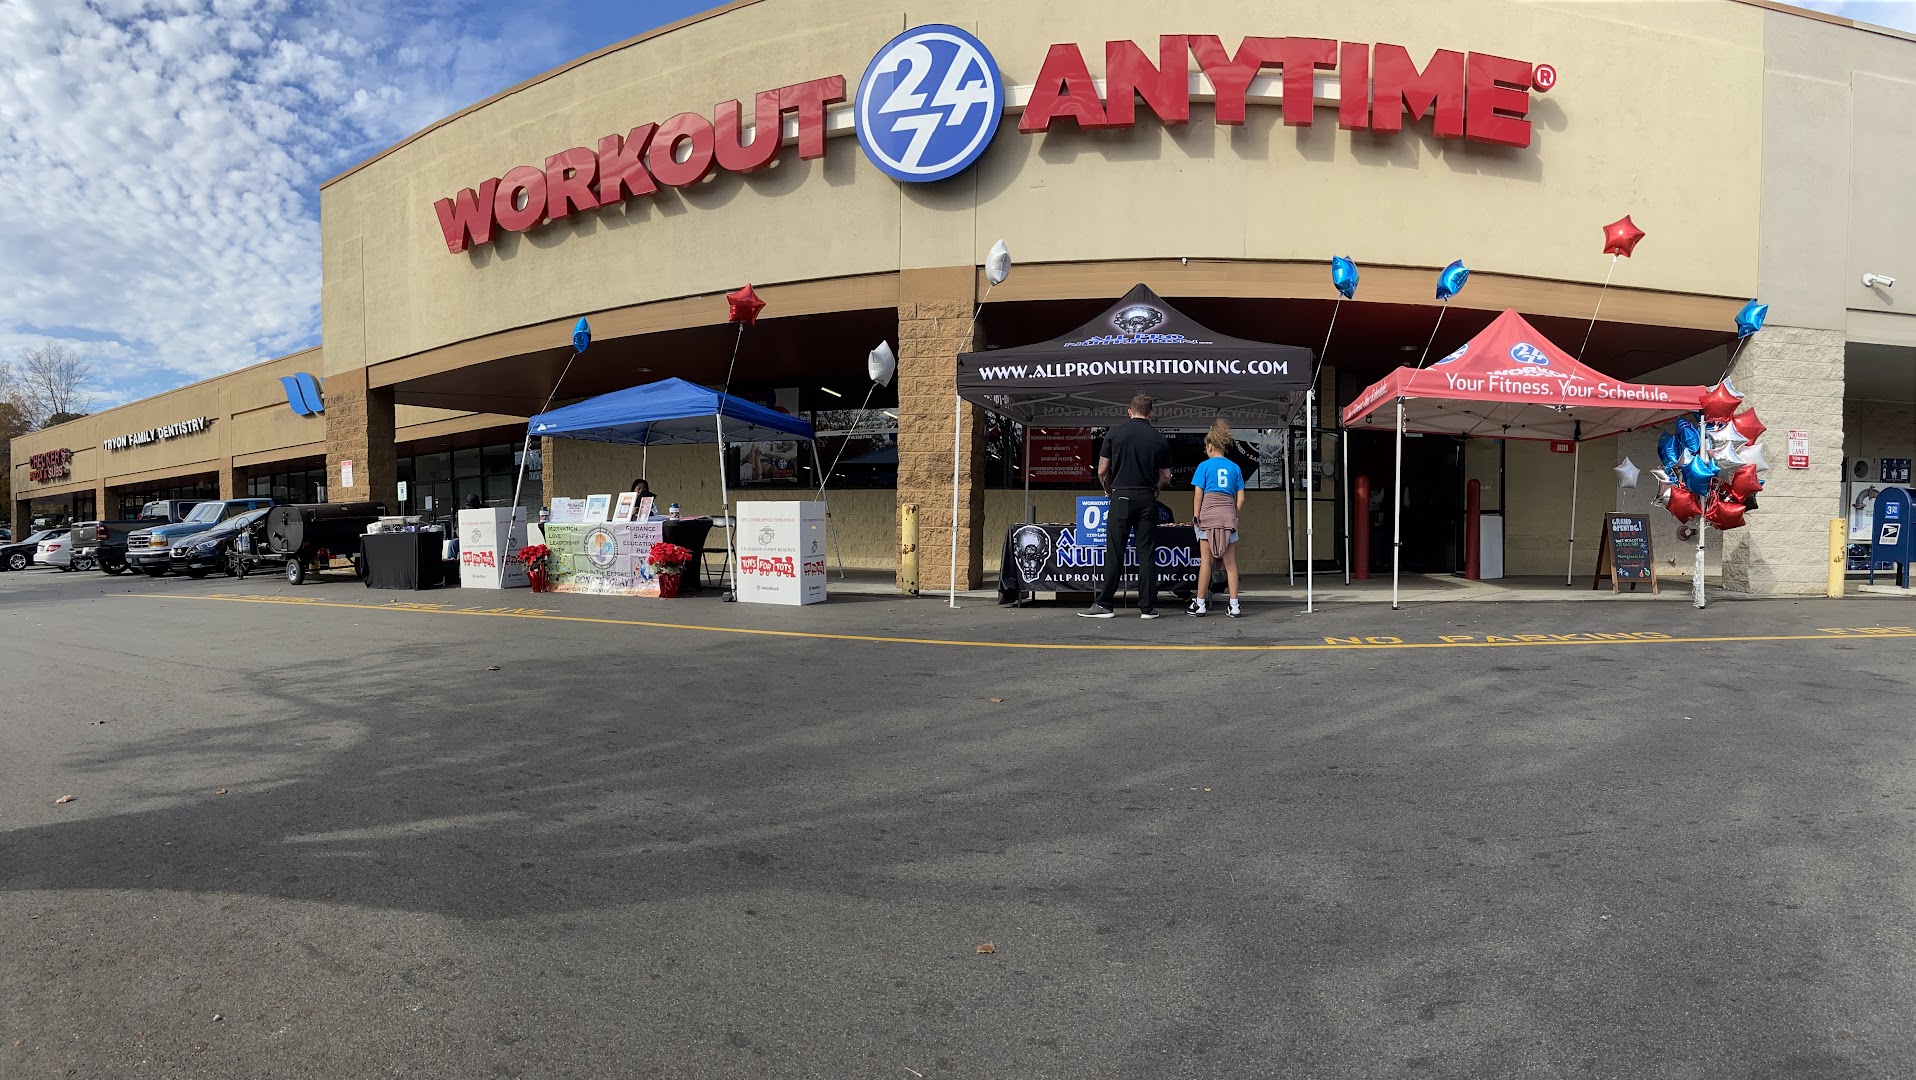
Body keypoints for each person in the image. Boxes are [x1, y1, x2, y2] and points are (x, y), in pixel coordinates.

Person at [1081, 394, 1171, 619]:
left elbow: (1102, 470)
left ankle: (1105, 604)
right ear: (1151, 414)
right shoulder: (1159, 439)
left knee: (1115, 551)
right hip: (1147, 498)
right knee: (1146, 553)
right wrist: (1155, 489)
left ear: (1129, 411)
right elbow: (1166, 476)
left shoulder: (1114, 434)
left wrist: (1109, 490)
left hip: (1121, 497)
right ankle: (1148, 608)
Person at [1188, 418, 1245, 618]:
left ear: (1211, 446)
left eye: (1206, 447)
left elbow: (1198, 495)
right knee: (1231, 564)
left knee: (1206, 562)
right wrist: (1233, 515)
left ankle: (1200, 604)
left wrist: (1196, 515)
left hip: (1208, 516)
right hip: (1227, 517)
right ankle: (1234, 605)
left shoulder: (1203, 466)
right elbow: (1241, 498)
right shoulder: (1235, 468)